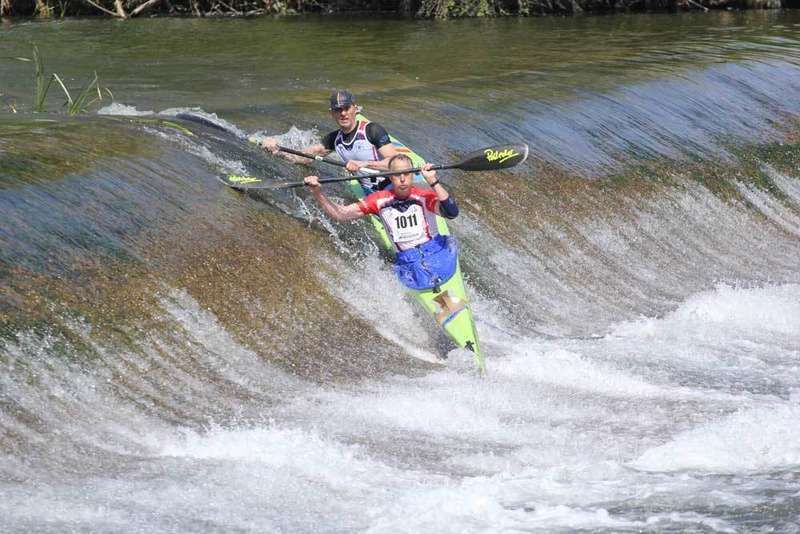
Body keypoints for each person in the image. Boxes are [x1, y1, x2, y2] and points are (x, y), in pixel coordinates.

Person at [303, 154, 460, 291]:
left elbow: (452, 212)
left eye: (407, 173)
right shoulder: (378, 200)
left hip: (438, 252)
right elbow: (341, 214)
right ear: (391, 177)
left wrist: (433, 181)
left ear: (413, 175)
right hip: (408, 262)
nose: (403, 178)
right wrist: (317, 192)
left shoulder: (425, 196)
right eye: (398, 174)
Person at [261, 89, 400, 193]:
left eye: (347, 108)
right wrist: (278, 149)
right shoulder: (334, 139)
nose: (343, 113)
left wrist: (364, 163)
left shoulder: (372, 130)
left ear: (355, 109)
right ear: (331, 113)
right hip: (369, 193)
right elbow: (303, 158)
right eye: (338, 110)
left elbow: (398, 164)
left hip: (394, 187)